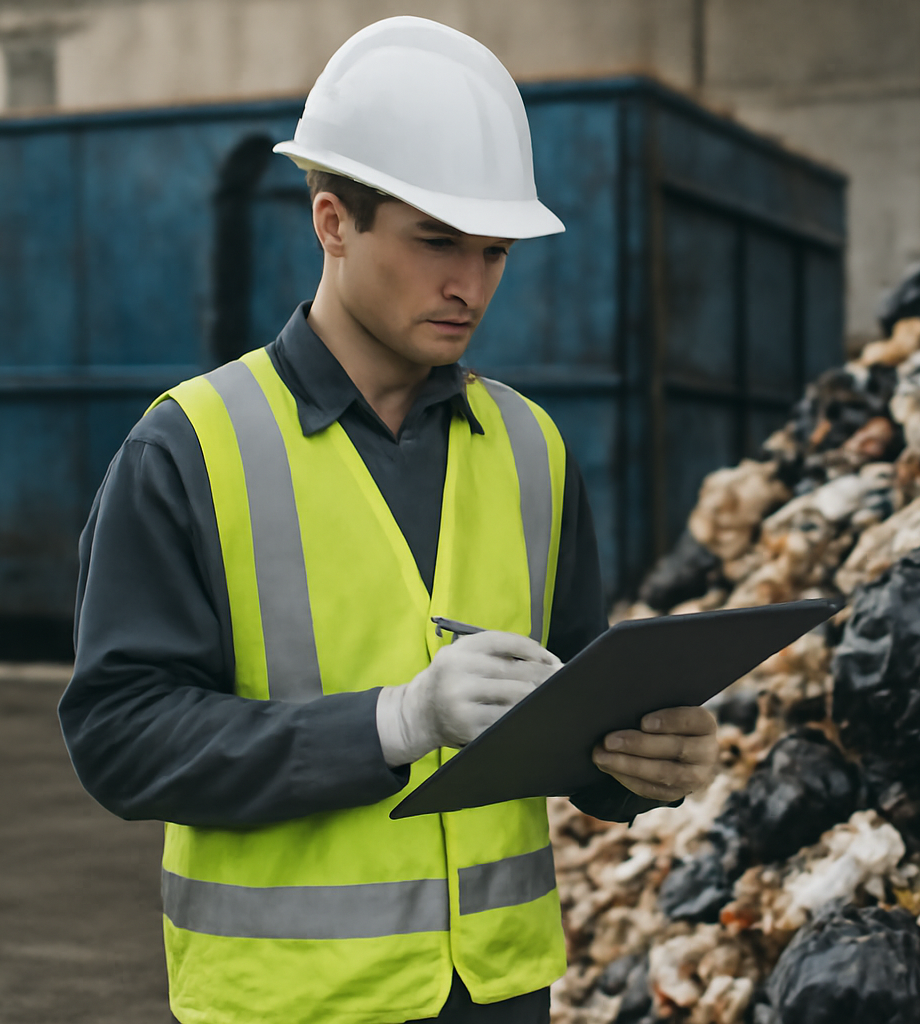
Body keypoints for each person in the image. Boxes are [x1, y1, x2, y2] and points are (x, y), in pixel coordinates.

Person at [58, 17, 718, 1024]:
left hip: (499, 994)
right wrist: (395, 723)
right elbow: (120, 736)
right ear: (332, 220)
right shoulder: (190, 447)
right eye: (436, 240)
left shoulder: (532, 449)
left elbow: (571, 711)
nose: (470, 284)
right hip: (293, 1003)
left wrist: (640, 765)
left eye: (494, 250)